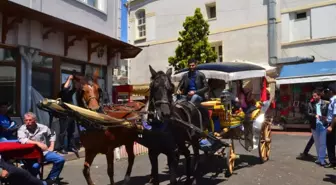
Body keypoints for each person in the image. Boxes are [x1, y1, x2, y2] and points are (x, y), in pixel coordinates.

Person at [17, 112, 65, 181]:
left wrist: (52, 146)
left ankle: (51, 179)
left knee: (60, 160)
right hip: (30, 154)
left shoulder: (42, 127)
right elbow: (22, 139)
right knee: (35, 167)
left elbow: (52, 133)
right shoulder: (22, 129)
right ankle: (32, 180)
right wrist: (37, 143)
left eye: (30, 120)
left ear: (35, 120)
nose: (28, 122)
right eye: (26, 120)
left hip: (43, 152)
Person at [57, 73, 79, 154]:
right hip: (63, 115)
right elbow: (65, 88)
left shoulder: (69, 94)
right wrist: (69, 79)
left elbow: (75, 88)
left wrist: (74, 79)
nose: (68, 87)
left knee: (71, 132)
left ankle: (71, 146)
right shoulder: (62, 93)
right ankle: (61, 147)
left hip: (71, 115)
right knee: (63, 132)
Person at [307, 89, 329, 166]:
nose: (313, 97)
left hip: (323, 125)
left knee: (323, 143)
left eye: (315, 95)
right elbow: (308, 113)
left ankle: (322, 159)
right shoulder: (310, 103)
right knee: (317, 143)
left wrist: (326, 118)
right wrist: (314, 115)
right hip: (314, 126)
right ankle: (319, 158)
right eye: (313, 95)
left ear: (319, 96)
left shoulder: (325, 104)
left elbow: (328, 114)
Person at [325, 83, 336, 168]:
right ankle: (333, 162)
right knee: (330, 144)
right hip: (331, 123)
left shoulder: (335, 100)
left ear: (331, 91)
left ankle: (333, 162)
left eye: (328, 91)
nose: (327, 92)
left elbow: (335, 115)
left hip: (333, 125)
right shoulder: (332, 100)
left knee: (330, 144)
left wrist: (331, 126)